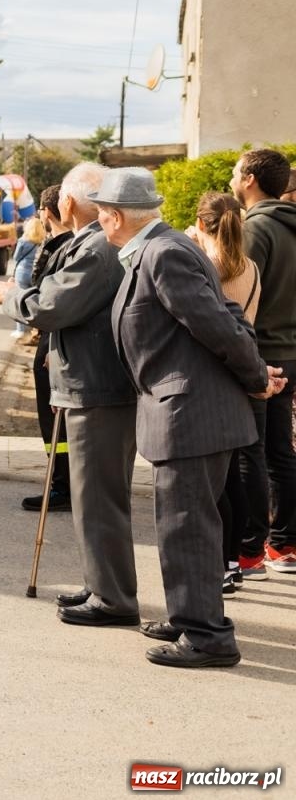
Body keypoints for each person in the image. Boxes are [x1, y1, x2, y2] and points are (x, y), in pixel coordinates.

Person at [94, 167, 283, 668]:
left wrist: (256, 376)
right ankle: (188, 617)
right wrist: (257, 371)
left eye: (101, 214)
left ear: (115, 217)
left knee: (189, 526)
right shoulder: (160, 249)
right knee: (181, 524)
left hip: (192, 411)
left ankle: (207, 636)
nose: (99, 223)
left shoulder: (166, 252)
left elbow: (218, 324)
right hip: (184, 409)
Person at [0, 163, 138, 626]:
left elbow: (50, 306)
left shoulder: (95, 247)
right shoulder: (91, 241)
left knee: (99, 499)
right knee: (92, 496)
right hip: (89, 383)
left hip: (98, 386)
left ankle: (113, 598)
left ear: (69, 202)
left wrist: (10, 295)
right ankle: (101, 586)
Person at [187, 191, 262, 594]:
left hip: (210, 377)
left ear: (201, 225)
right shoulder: (249, 266)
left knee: (215, 482)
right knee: (236, 474)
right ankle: (233, 562)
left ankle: (219, 564)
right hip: (242, 374)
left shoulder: (207, 267)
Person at [230, 148, 296, 575]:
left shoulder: (255, 228)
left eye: (236, 172)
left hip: (262, 355)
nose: (232, 179)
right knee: (280, 450)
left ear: (250, 178)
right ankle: (285, 545)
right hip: (291, 351)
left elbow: (243, 297)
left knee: (250, 452)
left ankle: (251, 550)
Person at [22, 185, 73, 512]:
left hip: (55, 346)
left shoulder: (63, 245)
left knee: (56, 423)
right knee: (55, 423)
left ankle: (61, 486)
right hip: (53, 343)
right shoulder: (63, 243)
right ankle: (61, 481)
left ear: (46, 211)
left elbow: (49, 300)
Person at [8, 217, 45, 339]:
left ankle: (20, 330)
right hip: (36, 273)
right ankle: (36, 329)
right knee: (33, 299)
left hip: (22, 272)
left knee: (19, 299)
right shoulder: (42, 240)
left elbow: (16, 257)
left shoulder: (23, 240)